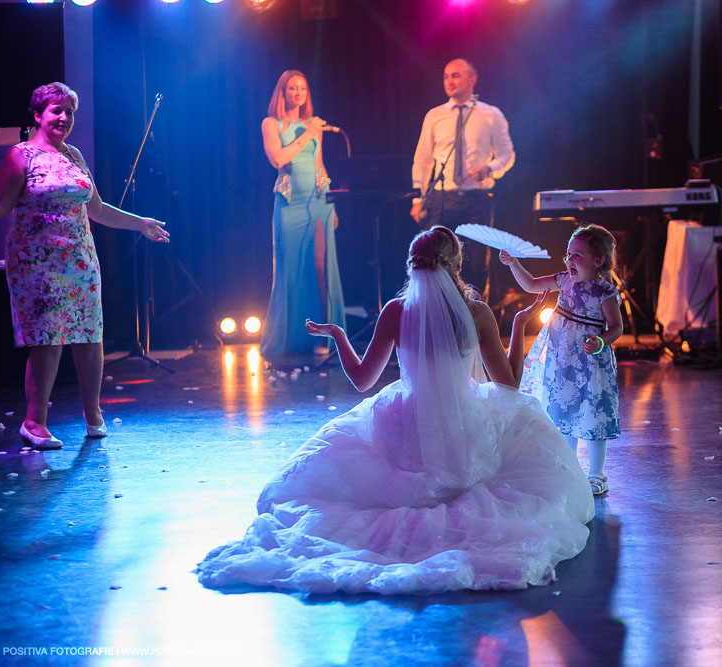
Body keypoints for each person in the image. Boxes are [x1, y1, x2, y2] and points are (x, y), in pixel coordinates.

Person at [196, 226, 595, 594]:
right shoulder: (478, 314)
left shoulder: (396, 311)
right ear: (457, 265)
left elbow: (363, 380)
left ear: (413, 266)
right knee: (523, 422)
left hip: (407, 429)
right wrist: (519, 327)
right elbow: (507, 383)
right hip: (467, 434)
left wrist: (338, 335)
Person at [0, 82, 170, 449]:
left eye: (69, 112)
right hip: (36, 263)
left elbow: (98, 209)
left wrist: (141, 223)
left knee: (90, 337)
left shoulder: (74, 156)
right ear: (39, 115)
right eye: (56, 110)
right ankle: (34, 422)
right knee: (48, 340)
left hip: (80, 260)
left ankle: (94, 415)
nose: (63, 118)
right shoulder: (21, 156)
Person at [500, 224, 623, 496]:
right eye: (568, 255)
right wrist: (513, 263)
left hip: (590, 361)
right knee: (564, 410)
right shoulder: (563, 280)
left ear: (598, 260)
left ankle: (596, 474)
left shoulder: (605, 292)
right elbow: (531, 284)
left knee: (591, 412)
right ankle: (569, 467)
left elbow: (616, 326)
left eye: (577, 256)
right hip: (564, 359)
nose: (569, 261)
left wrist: (601, 340)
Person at [259, 70, 345, 363]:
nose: (297, 93)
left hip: (319, 200)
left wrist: (332, 202)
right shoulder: (271, 123)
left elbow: (319, 164)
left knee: (321, 266)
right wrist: (307, 133)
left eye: (302, 89)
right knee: (290, 269)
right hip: (289, 202)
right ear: (282, 92)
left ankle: (327, 335)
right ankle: (290, 336)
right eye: (292, 88)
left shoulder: (313, 125)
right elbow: (278, 159)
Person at [410, 59, 515, 297]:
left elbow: (507, 154)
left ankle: (476, 323)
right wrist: (417, 199)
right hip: (442, 199)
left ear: (472, 80)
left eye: (456, 76)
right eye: (446, 76)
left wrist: (489, 168)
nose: (450, 81)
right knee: (436, 261)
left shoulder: (490, 114)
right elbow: (423, 159)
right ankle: (440, 317)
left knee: (476, 264)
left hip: (476, 199)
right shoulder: (435, 116)